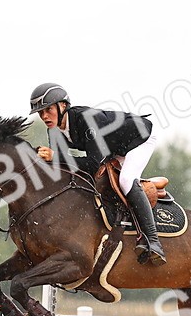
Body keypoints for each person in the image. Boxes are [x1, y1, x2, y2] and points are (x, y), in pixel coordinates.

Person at [28, 82, 166, 266]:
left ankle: (153, 240)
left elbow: (91, 164)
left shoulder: (86, 120)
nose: (44, 116)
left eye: (48, 110)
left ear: (62, 106)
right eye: (40, 112)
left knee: (126, 180)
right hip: (113, 147)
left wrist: (55, 157)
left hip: (139, 138)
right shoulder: (54, 131)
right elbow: (61, 168)